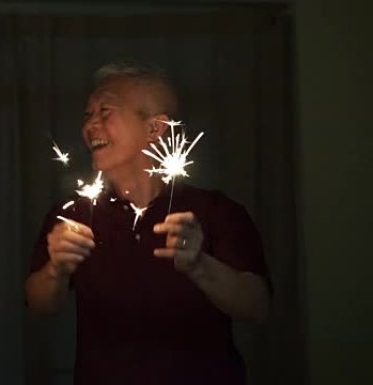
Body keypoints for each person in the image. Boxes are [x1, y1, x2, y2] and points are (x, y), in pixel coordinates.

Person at [25, 63, 271, 385]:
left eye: (105, 110)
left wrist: (199, 265)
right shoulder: (74, 215)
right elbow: (38, 304)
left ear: (155, 129)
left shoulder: (215, 211)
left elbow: (257, 306)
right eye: (88, 114)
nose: (89, 126)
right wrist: (56, 268)